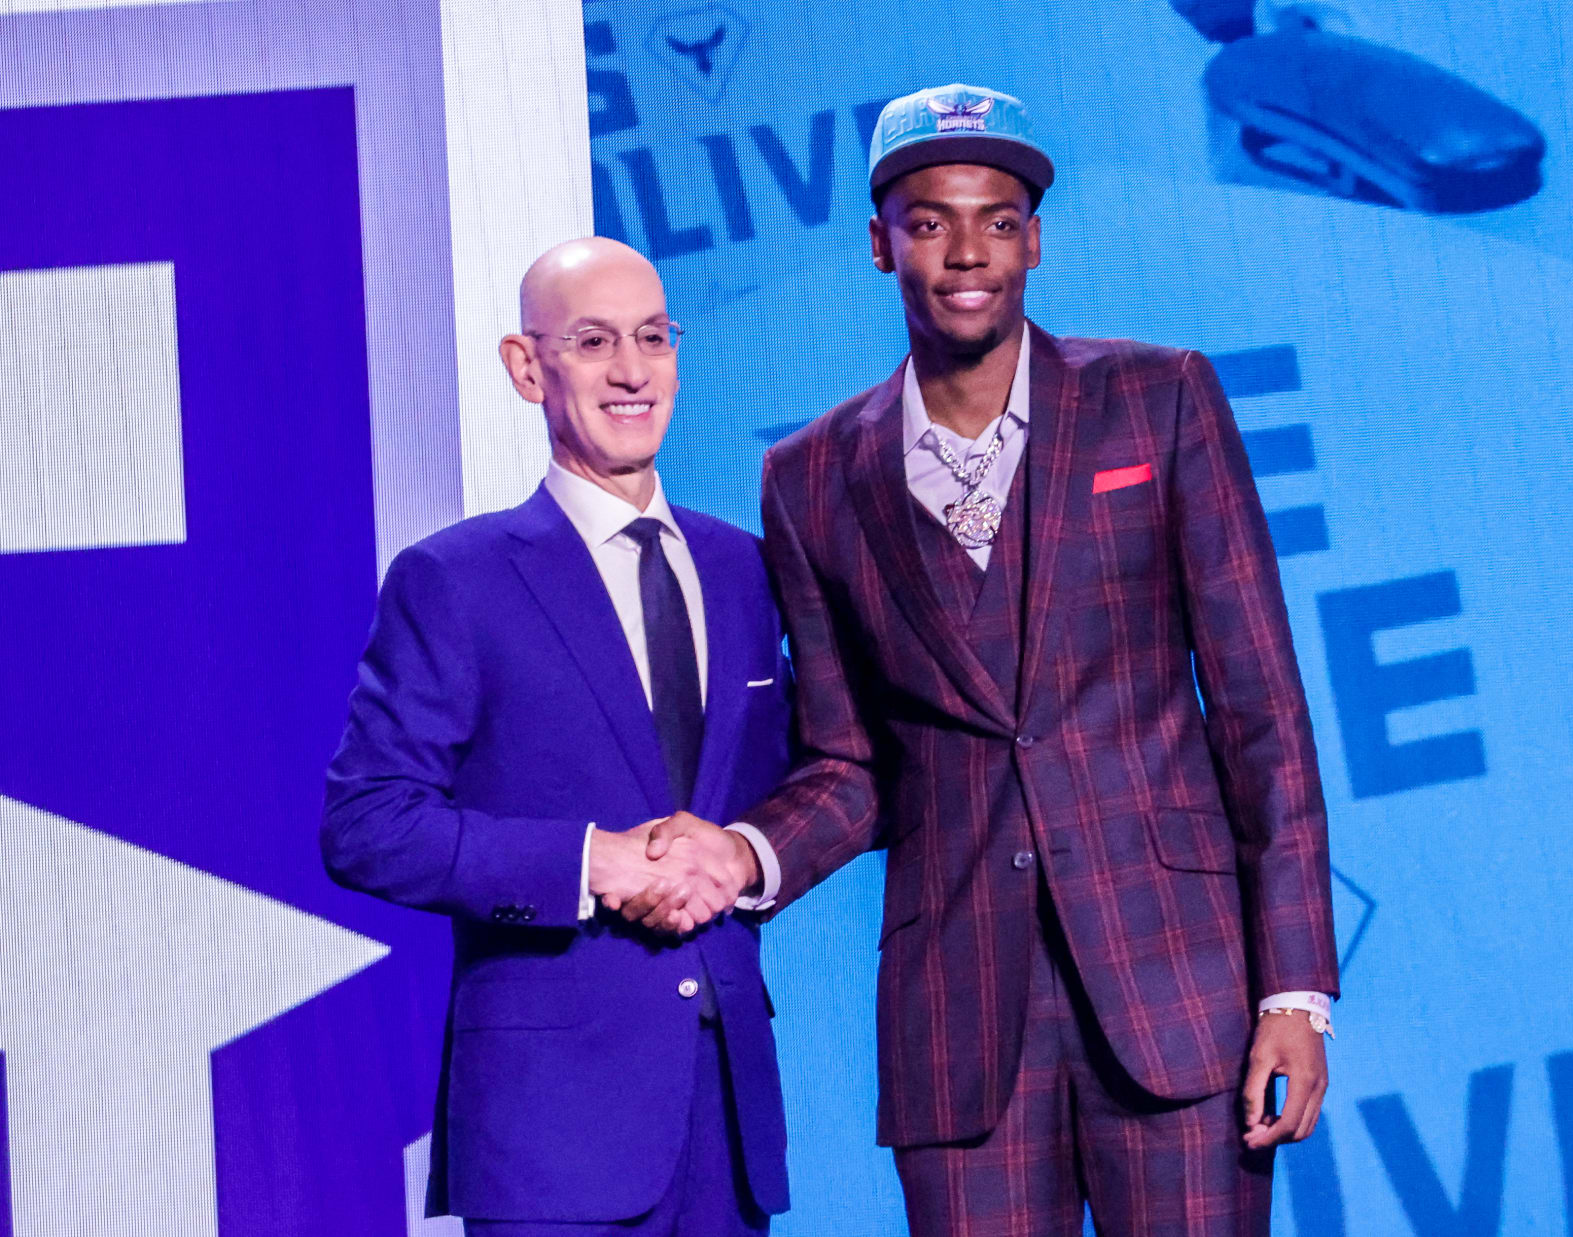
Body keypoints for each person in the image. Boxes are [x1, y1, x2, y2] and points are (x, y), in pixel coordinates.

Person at [644, 84, 1339, 1234]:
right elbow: (848, 760)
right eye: (929, 221)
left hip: (1175, 989)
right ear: (881, 243)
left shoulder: (1159, 400)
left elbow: (1262, 712)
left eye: (998, 219)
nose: (968, 251)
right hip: (958, 1022)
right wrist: (746, 853)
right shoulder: (811, 478)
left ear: (1035, 237)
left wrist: (1297, 991)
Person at [321, 237, 790, 1236]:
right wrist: (590, 862)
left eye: (653, 338)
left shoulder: (747, 569)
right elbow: (367, 823)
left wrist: (748, 854)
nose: (632, 371)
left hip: (726, 1116)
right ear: (527, 366)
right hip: (549, 1132)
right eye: (593, 341)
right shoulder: (456, 579)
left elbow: (815, 780)